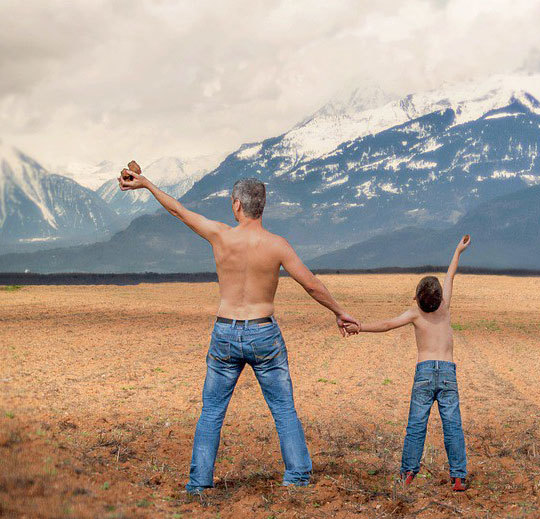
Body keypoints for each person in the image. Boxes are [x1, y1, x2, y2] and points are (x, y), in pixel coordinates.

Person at [118, 171, 360, 492]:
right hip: (264, 333)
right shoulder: (277, 245)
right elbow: (311, 285)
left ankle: (199, 484)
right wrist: (340, 312)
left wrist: (147, 184)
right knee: (283, 408)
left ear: (236, 205)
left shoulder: (221, 236)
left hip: (225, 332)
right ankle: (297, 477)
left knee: (212, 412)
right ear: (262, 207)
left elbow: (177, 210)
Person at [344, 235, 471, 491]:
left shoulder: (414, 313)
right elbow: (451, 275)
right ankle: (457, 477)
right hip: (447, 372)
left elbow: (387, 324)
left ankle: (408, 474)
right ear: (439, 297)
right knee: (453, 426)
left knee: (416, 426)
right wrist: (458, 250)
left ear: (416, 298)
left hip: (424, 372)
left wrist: (360, 327)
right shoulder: (445, 308)